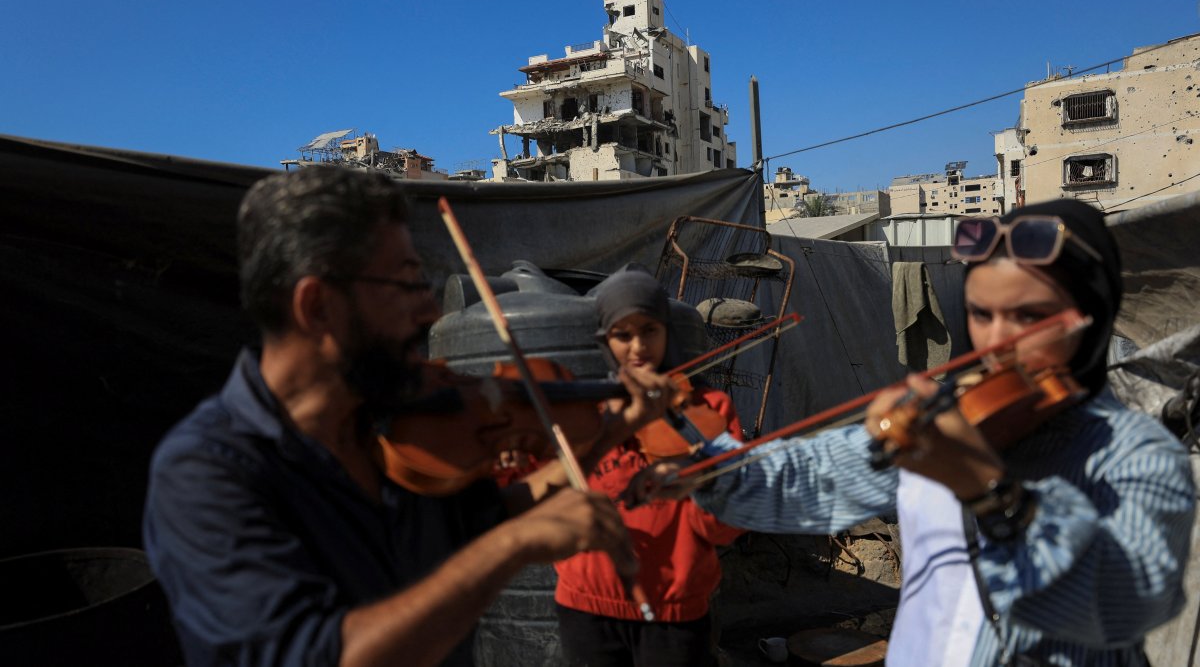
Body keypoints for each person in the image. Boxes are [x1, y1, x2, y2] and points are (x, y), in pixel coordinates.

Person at [142, 167, 677, 667]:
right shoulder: (206, 473)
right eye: (406, 286)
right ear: (317, 307)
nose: (428, 312)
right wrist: (515, 545)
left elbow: (495, 519)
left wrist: (617, 428)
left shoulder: (393, 433)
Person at [627, 199, 1196, 666]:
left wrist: (990, 491)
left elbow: (1124, 605)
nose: (997, 342)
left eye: (1028, 317)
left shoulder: (1137, 455)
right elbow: (797, 483)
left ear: (1090, 318)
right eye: (982, 313)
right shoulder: (952, 418)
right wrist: (685, 434)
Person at [553, 268, 745, 667]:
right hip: (587, 606)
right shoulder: (585, 415)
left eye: (649, 330)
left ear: (667, 332)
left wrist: (704, 483)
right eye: (623, 335)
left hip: (674, 612)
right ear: (605, 341)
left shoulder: (709, 409)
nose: (638, 346)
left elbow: (726, 526)